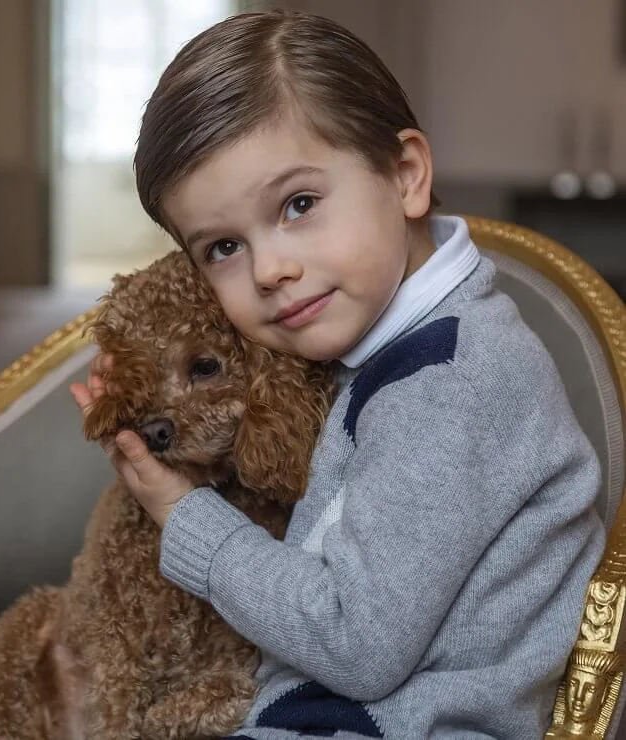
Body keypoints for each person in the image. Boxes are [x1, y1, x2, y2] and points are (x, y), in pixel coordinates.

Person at [70, 10, 605, 739]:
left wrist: (179, 511)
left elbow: (355, 645)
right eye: (223, 246)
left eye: (299, 205)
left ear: (406, 175)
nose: (270, 269)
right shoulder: (376, 339)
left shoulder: (450, 379)